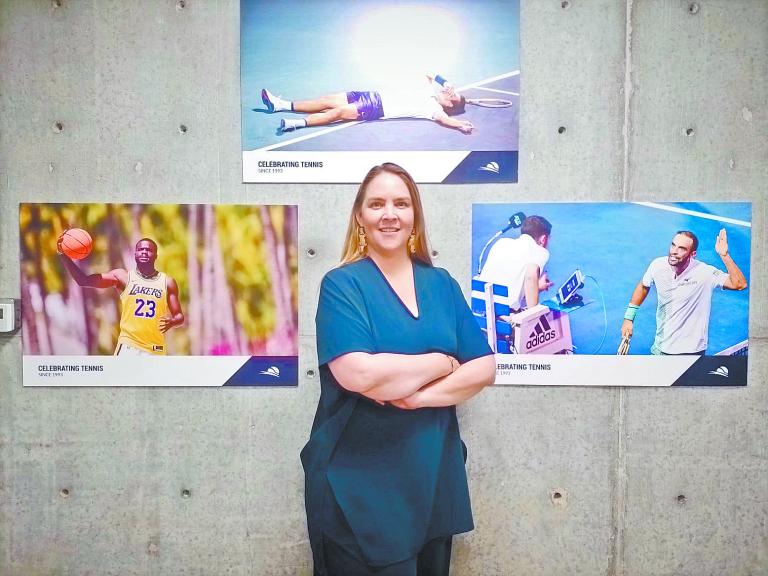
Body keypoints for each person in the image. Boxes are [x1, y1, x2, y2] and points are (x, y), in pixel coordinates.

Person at [301, 163, 496, 575]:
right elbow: (360, 375)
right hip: (357, 484)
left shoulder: (441, 283)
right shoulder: (342, 285)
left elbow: (483, 368)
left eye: (401, 203)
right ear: (360, 217)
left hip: (431, 477)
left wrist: (416, 396)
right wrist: (441, 362)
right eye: (377, 204)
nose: (389, 213)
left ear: (414, 216)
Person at [621, 229, 747, 355]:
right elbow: (644, 285)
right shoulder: (657, 265)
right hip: (660, 348)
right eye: (673, 245)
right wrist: (629, 318)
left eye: (682, 248)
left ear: (693, 254)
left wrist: (724, 255)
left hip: (691, 353)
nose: (674, 251)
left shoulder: (704, 273)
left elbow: (739, 284)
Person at [58, 237, 184, 355]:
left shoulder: (167, 282)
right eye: (140, 249)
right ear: (135, 254)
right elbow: (83, 280)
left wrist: (173, 322)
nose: (144, 252)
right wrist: (63, 255)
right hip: (129, 346)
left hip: (156, 348)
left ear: (156, 255)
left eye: (149, 250)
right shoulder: (123, 277)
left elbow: (179, 316)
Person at [262, 73, 474, 135]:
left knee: (337, 112)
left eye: (452, 96)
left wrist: (461, 125)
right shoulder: (431, 91)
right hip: (369, 95)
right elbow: (428, 74)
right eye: (450, 92)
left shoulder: (434, 110)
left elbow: (446, 121)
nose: (449, 93)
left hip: (375, 108)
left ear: (450, 106)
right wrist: (445, 82)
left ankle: (295, 124)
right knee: (326, 100)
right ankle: (280, 104)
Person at [477, 215, 554, 311]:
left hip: (478, 310)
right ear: (543, 239)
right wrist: (534, 315)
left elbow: (509, 281)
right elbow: (530, 277)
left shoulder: (501, 243)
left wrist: (537, 287)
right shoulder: (540, 252)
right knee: (551, 319)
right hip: (503, 317)